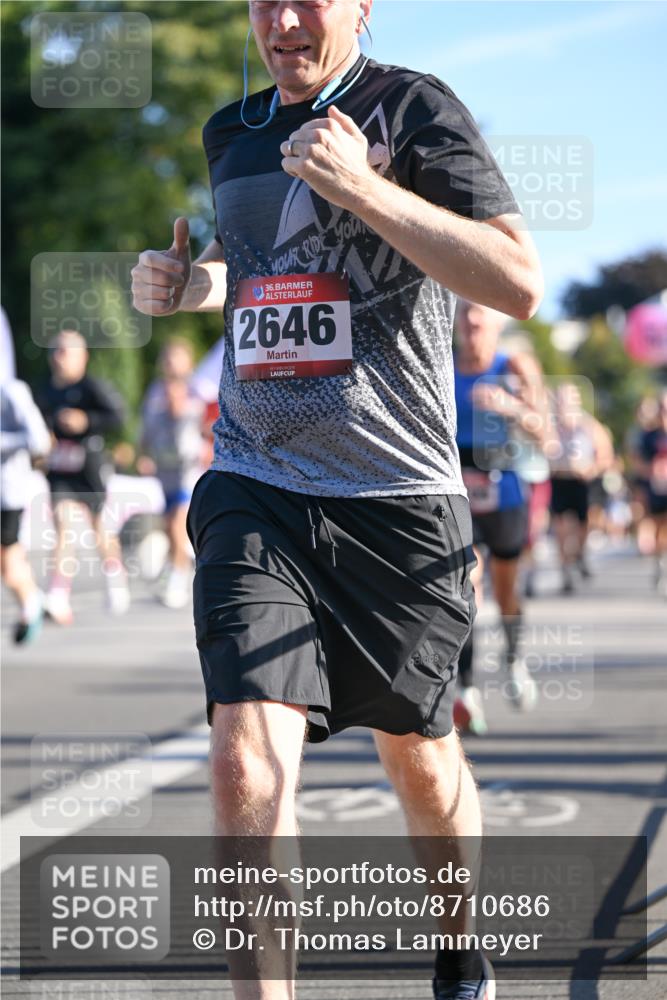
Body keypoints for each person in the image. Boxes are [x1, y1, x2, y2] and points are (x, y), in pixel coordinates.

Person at [131, 2, 542, 997]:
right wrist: (184, 285)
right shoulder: (231, 132)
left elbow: (518, 282)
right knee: (241, 759)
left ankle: (457, 942)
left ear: (359, 6)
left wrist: (363, 189)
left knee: (421, 759)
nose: (280, 18)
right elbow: (252, 271)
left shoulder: (415, 109)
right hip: (255, 482)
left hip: (395, 496)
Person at [453, 301, 549, 729]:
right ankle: (467, 689)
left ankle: (513, 661)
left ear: (495, 323)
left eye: (479, 317)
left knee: (507, 591)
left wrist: (510, 407)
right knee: (467, 588)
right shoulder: (441, 362)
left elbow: (545, 433)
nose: (471, 324)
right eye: (464, 316)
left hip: (505, 487)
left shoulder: (515, 365)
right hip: (458, 488)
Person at [34, 330, 130, 623]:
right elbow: (36, 422)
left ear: (83, 357)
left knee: (99, 527)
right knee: (63, 523)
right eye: (56, 351)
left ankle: (116, 578)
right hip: (60, 468)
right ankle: (58, 595)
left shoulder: (92, 387)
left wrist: (86, 420)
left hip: (89, 465)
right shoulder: (44, 390)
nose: (60, 357)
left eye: (67, 351)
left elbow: (119, 416)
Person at [138, 372, 206, 608]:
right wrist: (144, 457)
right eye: (167, 395)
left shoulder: (193, 414)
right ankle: (179, 566)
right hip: (165, 480)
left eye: (176, 395)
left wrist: (208, 450)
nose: (171, 400)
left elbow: (212, 433)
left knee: (178, 525)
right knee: (170, 529)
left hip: (188, 478)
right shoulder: (156, 417)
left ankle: (178, 582)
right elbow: (143, 442)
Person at [548, 382, 614, 594]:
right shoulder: (549, 425)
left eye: (568, 399)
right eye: (561, 399)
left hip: (582, 483)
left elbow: (606, 455)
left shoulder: (589, 426)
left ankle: (580, 555)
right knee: (561, 530)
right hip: (559, 481)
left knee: (583, 528)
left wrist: (591, 469)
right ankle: (566, 572)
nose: (564, 404)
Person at [1, 376, 52, 643]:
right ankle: (32, 601)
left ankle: (32, 602)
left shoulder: (11, 389)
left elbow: (39, 439)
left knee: (8, 567)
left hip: (6, 493)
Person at [634, 388, 667, 596]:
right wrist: (652, 471)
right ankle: (660, 563)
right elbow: (638, 461)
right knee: (658, 527)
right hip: (656, 489)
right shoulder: (649, 436)